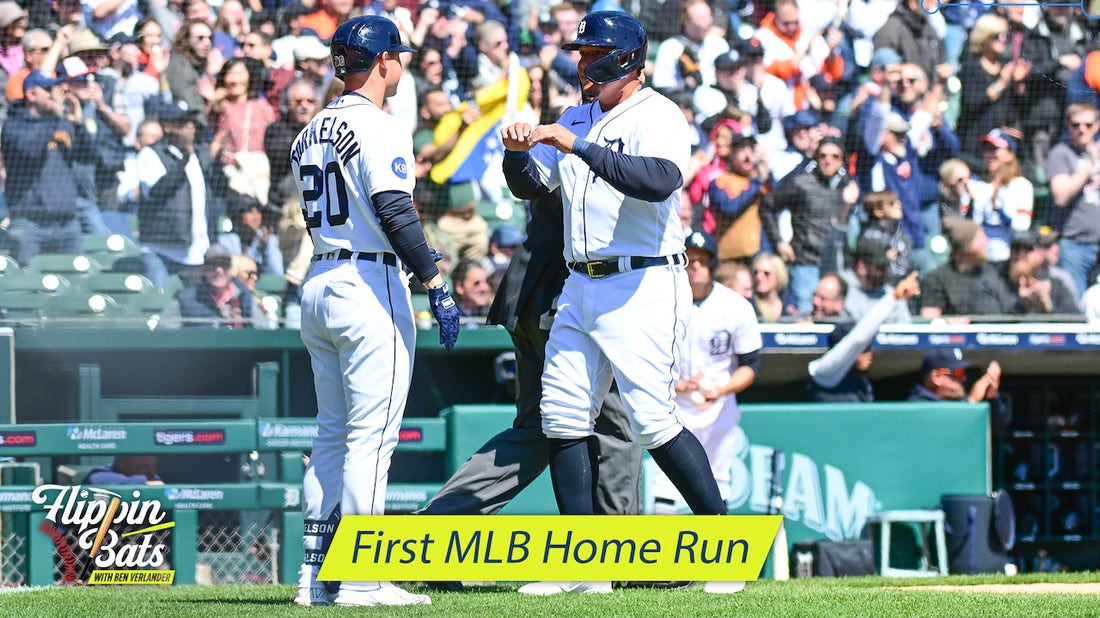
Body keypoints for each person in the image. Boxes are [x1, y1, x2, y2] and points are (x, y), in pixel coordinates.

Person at [499, 11, 732, 595]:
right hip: (581, 283)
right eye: (579, 52)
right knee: (563, 414)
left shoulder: (658, 113)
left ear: (624, 57)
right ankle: (585, 568)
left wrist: (573, 142)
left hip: (643, 282)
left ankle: (725, 552)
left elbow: (658, 180)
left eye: (591, 51)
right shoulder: (579, 115)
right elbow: (533, 185)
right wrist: (514, 153)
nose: (581, 61)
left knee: (653, 420)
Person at [290, 16, 459, 608]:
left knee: (333, 435)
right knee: (371, 440)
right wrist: (435, 280)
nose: (403, 65)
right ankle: (361, 578)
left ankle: (314, 580)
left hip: (319, 278)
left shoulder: (310, 129)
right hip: (367, 281)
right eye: (399, 57)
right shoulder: (379, 125)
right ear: (384, 61)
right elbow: (393, 207)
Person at [416, 188, 643, 592]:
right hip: (566, 299)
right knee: (612, 422)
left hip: (532, 290)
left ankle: (437, 526)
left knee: (539, 430)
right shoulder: (591, 138)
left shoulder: (568, 136)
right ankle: (617, 556)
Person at [653, 231, 761, 512]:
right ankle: (660, 553)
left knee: (717, 483)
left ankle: (716, 551)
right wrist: (678, 385)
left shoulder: (735, 306)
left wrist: (721, 389)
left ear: (713, 265)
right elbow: (645, 359)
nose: (697, 266)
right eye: (692, 260)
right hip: (672, 407)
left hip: (719, 409)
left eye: (703, 260)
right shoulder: (661, 302)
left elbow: (751, 365)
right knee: (664, 487)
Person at [1, 70, 92, 266]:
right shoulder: (14, 125)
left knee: (74, 285)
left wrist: (78, 125)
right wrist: (57, 116)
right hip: (29, 225)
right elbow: (31, 150)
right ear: (31, 94)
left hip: (67, 223)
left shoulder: (60, 121)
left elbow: (90, 157)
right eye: (49, 89)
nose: (56, 93)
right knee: (27, 286)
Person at [807, 272, 920, 402]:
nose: (869, 354)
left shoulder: (862, 383)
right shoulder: (825, 373)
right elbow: (858, 338)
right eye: (863, 350)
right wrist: (894, 298)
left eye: (868, 348)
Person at [160, 244, 271, 329]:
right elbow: (163, 333)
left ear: (231, 270)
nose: (219, 270)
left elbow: (262, 333)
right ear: (203, 270)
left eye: (224, 265)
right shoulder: (186, 298)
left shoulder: (244, 295)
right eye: (212, 265)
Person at [908, 348, 1010, 432]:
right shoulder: (916, 405)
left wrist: (992, 396)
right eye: (958, 372)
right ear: (936, 377)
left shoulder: (959, 399)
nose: (964, 378)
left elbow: (1000, 428)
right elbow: (946, 433)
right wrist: (972, 403)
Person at [83, 454, 163, 485]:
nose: (152, 471)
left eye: (153, 466)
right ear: (123, 465)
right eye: (144, 467)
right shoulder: (100, 473)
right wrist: (144, 482)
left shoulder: (151, 476)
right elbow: (97, 479)